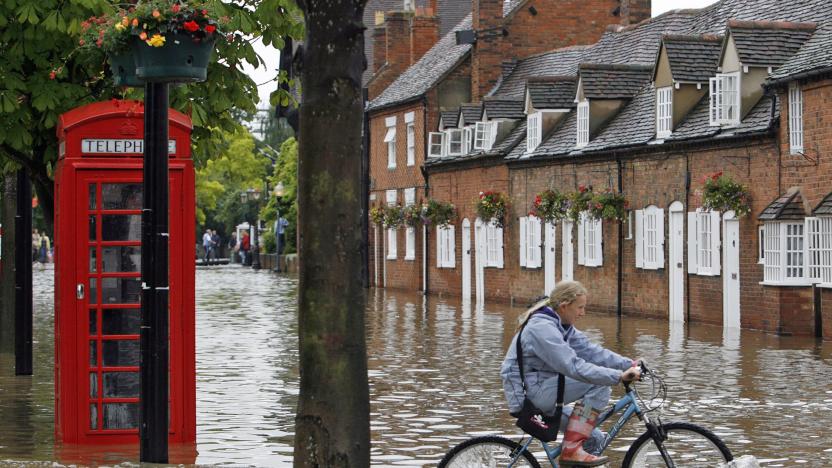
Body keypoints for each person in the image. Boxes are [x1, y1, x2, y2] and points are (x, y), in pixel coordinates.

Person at [501, 281, 641, 466]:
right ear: (564, 306)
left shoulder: (561, 325)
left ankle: (573, 450)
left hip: (543, 390)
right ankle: (571, 449)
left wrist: (629, 363)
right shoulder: (542, 329)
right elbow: (573, 366)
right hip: (528, 397)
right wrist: (618, 376)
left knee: (595, 439)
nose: (583, 313)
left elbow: (591, 351)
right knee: (598, 383)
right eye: (580, 307)